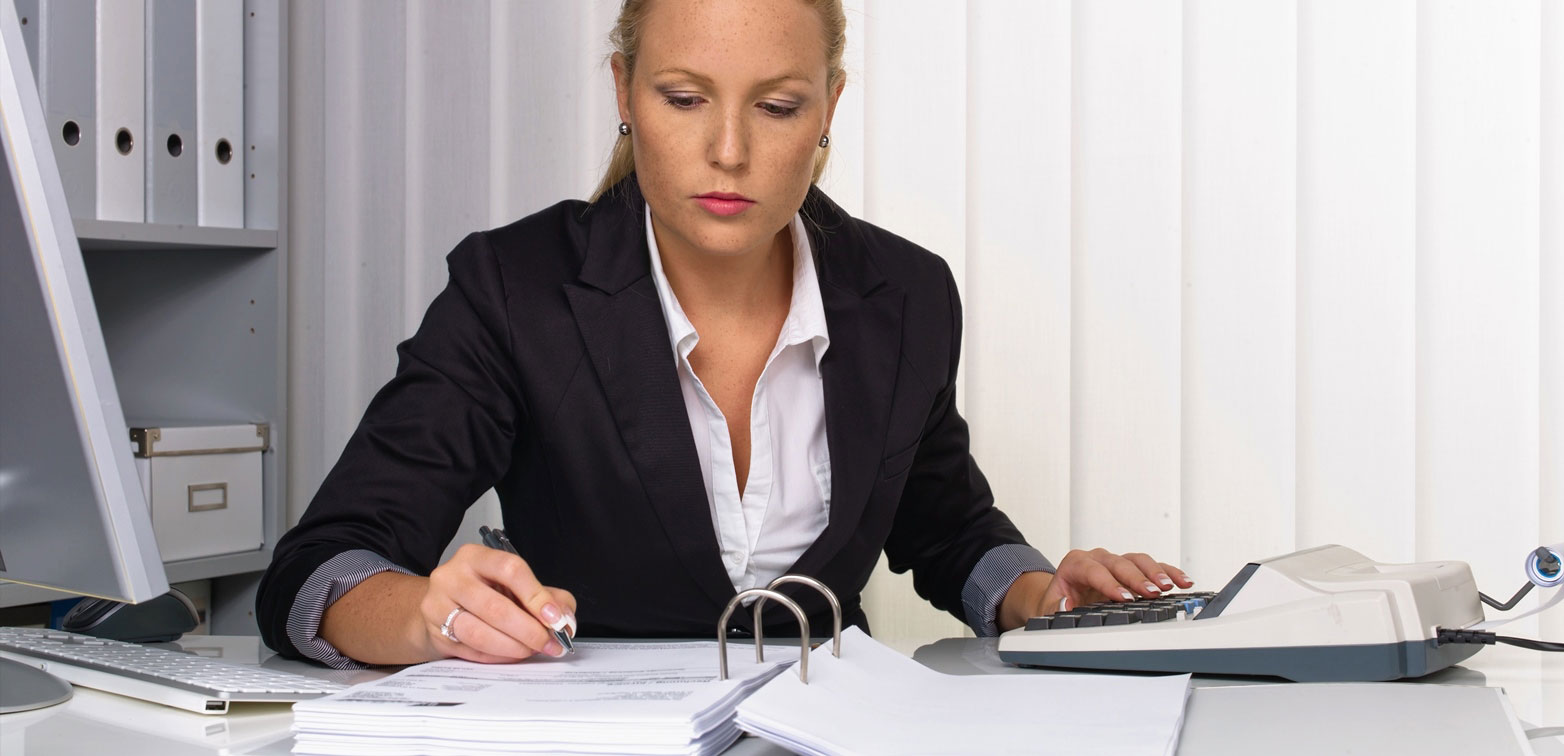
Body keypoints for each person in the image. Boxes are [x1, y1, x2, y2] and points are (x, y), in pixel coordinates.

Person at [257, 0, 1191, 669]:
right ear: (624, 90)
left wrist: (1045, 599)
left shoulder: (906, 294)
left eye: (778, 107)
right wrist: (425, 617)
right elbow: (320, 566)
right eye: (683, 97)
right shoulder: (515, 288)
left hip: (832, 733)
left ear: (829, 108)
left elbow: (944, 523)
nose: (731, 152)